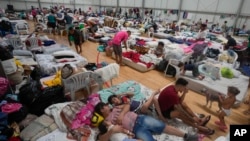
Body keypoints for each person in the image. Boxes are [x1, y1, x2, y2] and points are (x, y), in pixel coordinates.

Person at [95, 102, 198, 141]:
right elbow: (101, 138)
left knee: (163, 127)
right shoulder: (105, 122)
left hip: (140, 118)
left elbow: (128, 105)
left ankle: (186, 136)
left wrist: (121, 115)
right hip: (135, 129)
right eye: (105, 106)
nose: (107, 106)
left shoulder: (116, 107)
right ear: (102, 110)